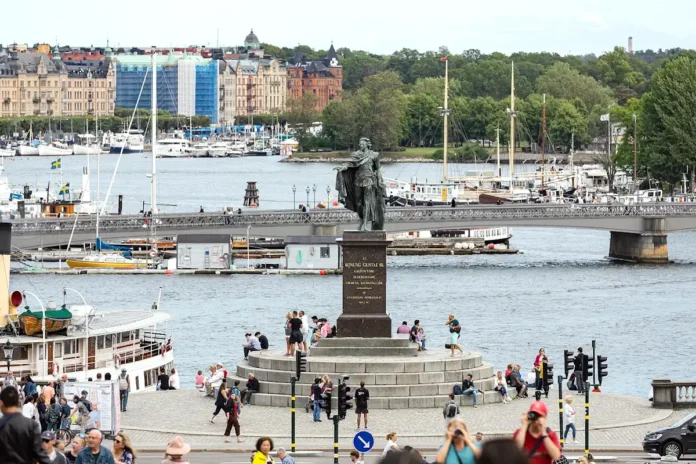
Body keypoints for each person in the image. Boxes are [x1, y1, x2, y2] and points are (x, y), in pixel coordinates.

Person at [0, 386, 51, 464]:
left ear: (1, 403)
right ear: (17, 402)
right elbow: (41, 456)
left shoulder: (2, 425)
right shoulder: (31, 425)